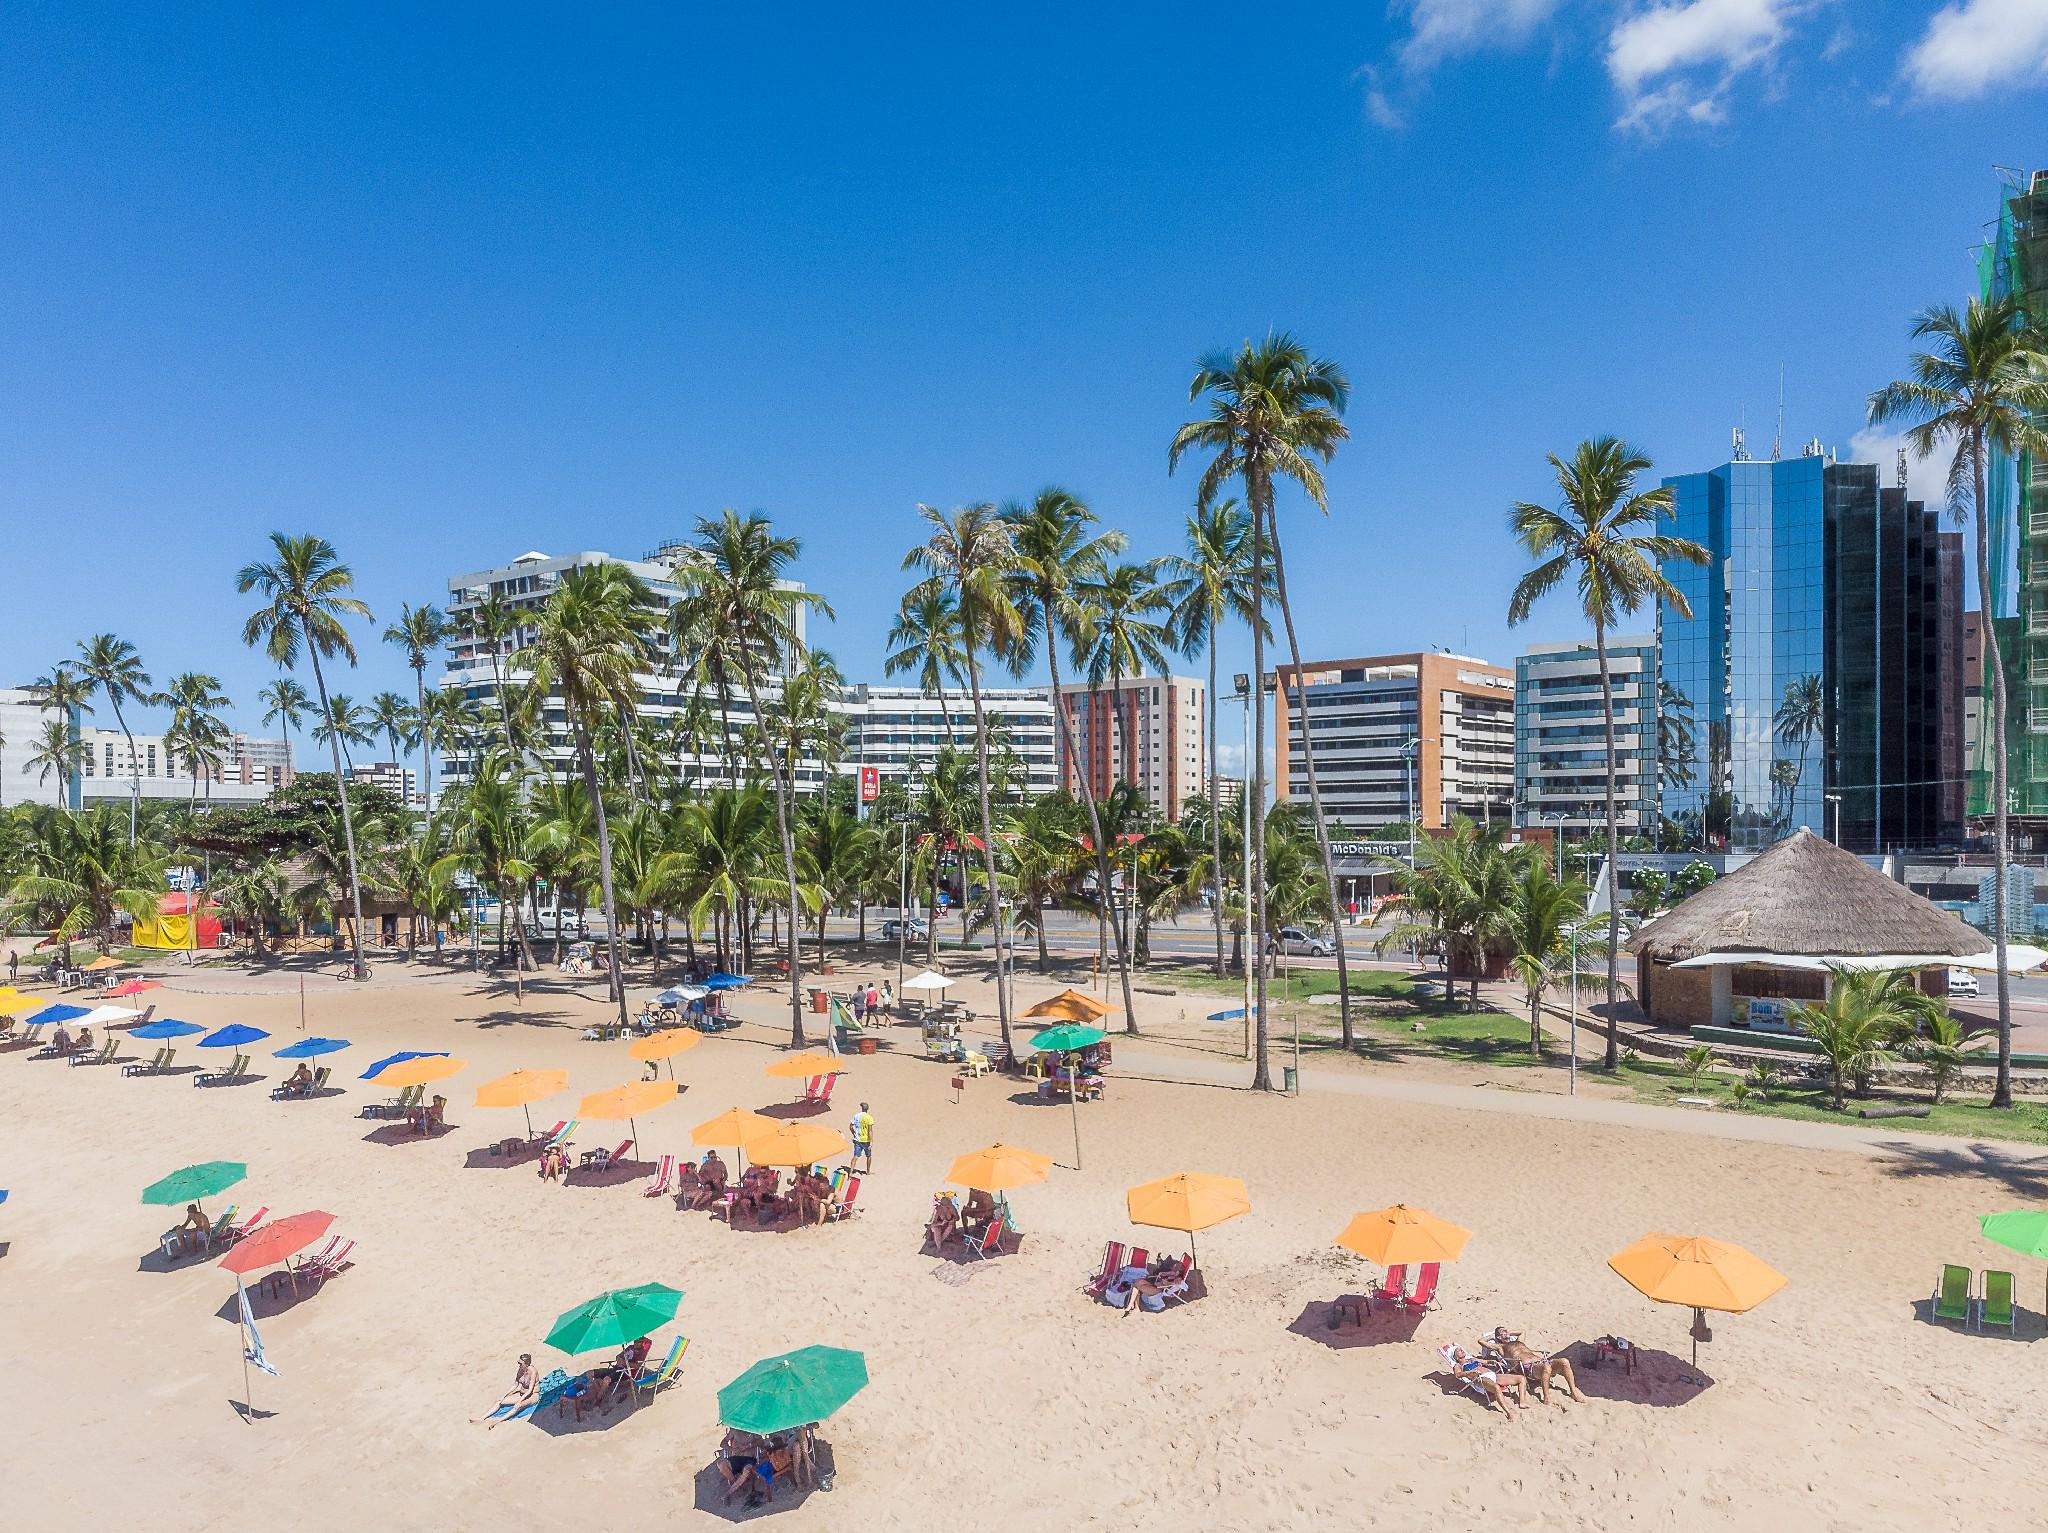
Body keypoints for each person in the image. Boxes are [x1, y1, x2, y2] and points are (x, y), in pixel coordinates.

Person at [1487, 1326, 1585, 1404]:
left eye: (1506, 1330)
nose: (1506, 1332)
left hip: (1541, 1362)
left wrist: (1507, 1332)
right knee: (1546, 1367)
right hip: (1528, 1368)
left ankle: (1573, 1392)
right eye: (1503, 1332)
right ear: (1499, 1337)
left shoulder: (1518, 1341)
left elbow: (1522, 1331)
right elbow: (1481, 1341)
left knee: (1564, 1361)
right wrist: (1492, 1336)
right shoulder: (1501, 1347)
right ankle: (1546, 1397)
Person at [1445, 1344, 1527, 1421]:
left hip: (1492, 1374)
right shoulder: (1458, 1366)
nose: (1462, 1350)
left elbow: (1486, 1362)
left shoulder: (1472, 1359)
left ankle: (1522, 1402)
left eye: (1461, 1349)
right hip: (1480, 1378)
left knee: (1521, 1378)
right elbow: (1458, 1375)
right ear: (1455, 1357)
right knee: (1496, 1388)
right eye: (1459, 1350)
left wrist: (1494, 1362)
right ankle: (1509, 1412)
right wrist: (1469, 1372)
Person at [472, 1353, 539, 1425]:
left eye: (520, 1363)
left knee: (518, 1406)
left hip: (532, 1396)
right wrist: (504, 1395)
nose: (519, 1365)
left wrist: (520, 1401)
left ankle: (497, 1421)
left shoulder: (533, 1372)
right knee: (500, 1401)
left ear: (527, 1363)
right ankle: (482, 1418)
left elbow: (530, 1390)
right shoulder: (521, 1369)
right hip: (522, 1394)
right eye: (518, 1362)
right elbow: (515, 1384)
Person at [717, 1428, 775, 1507]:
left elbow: (761, 1442)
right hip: (735, 1458)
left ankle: (727, 1494)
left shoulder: (752, 1428)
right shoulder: (734, 1430)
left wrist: (749, 1446)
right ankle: (737, 1486)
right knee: (720, 1464)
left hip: (749, 1458)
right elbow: (722, 1443)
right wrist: (730, 1449)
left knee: (747, 1470)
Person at [849, 1102, 875, 1172]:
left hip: (857, 1139)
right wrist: (871, 1142)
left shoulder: (856, 1116)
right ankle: (868, 1171)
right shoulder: (869, 1118)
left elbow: (851, 1126)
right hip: (866, 1141)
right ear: (867, 1109)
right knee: (868, 1156)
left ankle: (850, 1172)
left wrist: (854, 1133)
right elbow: (870, 1131)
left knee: (855, 1157)